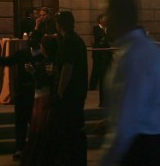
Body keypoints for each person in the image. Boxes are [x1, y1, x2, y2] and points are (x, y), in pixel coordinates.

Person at [99, 0, 160, 166]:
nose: (104, 22)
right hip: (156, 145)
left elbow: (127, 122)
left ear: (118, 17)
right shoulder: (143, 49)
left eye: (107, 15)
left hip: (147, 151)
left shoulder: (134, 55)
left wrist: (106, 159)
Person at [0, 30, 43, 161]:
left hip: (35, 93)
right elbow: (10, 61)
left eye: (34, 37)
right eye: (30, 37)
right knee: (21, 122)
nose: (31, 39)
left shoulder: (43, 55)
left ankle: (35, 148)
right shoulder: (23, 53)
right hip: (22, 92)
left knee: (34, 123)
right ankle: (20, 148)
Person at [50, 11, 88, 165]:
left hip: (69, 94)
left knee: (67, 131)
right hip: (78, 92)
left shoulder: (68, 41)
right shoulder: (78, 40)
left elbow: (67, 67)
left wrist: (59, 92)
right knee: (77, 129)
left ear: (60, 24)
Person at [20, 34, 59, 166]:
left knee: (40, 126)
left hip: (43, 96)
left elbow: (43, 79)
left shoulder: (48, 61)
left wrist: (32, 71)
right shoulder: (51, 60)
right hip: (42, 95)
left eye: (42, 46)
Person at [89, 14, 113, 107]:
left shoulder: (108, 29)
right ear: (100, 19)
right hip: (99, 55)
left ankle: (107, 100)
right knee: (99, 74)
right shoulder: (96, 28)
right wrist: (105, 39)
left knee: (107, 77)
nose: (106, 19)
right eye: (104, 18)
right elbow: (99, 38)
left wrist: (104, 39)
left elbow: (109, 39)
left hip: (107, 55)